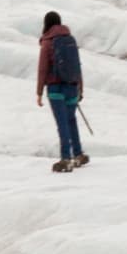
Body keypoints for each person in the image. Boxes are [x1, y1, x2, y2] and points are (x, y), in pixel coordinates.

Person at [35, 10, 87, 170]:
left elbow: (43, 68)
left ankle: (66, 158)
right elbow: (77, 65)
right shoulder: (70, 39)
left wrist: (39, 92)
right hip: (72, 86)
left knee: (62, 122)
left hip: (55, 87)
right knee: (71, 120)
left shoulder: (48, 42)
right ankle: (78, 154)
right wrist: (80, 88)